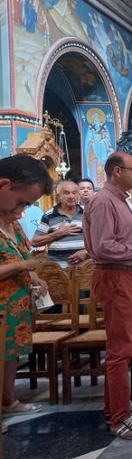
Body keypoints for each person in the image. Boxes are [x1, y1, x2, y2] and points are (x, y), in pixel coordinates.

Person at [83, 152, 132, 440]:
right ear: (116, 171)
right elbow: (103, 247)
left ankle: (117, 404)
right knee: (119, 349)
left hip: (127, 276)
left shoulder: (119, 200)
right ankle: (119, 418)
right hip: (116, 277)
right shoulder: (103, 201)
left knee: (124, 344)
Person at [0, 154, 53, 426]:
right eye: (21, 202)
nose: (21, 211)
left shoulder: (12, 224)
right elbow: (18, 261)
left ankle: (8, 400)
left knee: (10, 354)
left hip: (15, 307)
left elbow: (21, 255)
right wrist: (24, 265)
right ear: (4, 185)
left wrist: (32, 274)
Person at [31, 180, 88, 268]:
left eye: (74, 193)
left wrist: (86, 251)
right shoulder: (49, 215)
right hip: (57, 273)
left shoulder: (88, 213)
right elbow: (35, 242)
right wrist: (57, 234)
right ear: (59, 196)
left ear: (78, 195)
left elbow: (101, 239)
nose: (71, 196)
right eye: (66, 193)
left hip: (84, 271)